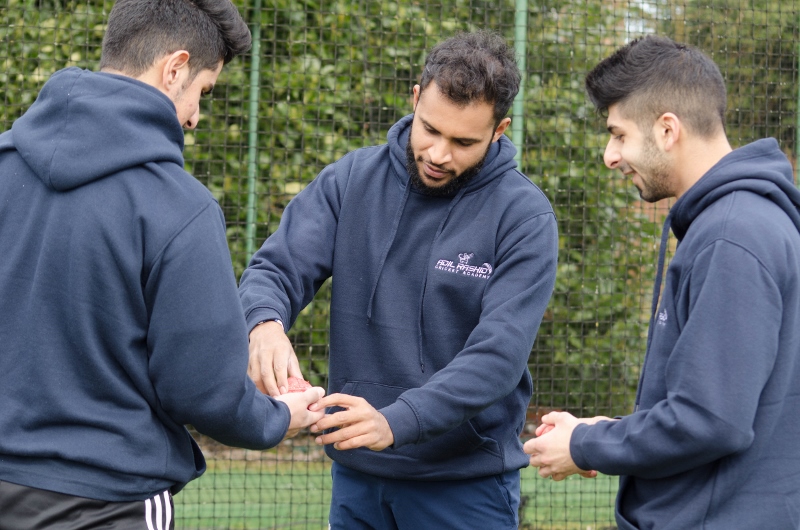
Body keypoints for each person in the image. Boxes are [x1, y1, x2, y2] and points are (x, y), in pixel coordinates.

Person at [0, 1, 325, 528]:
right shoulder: (180, 206)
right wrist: (276, 418)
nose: (197, 116)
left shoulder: (4, 164)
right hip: (107, 503)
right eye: (203, 91)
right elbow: (202, 388)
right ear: (174, 68)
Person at [239, 31, 558, 529]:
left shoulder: (524, 216)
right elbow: (274, 270)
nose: (438, 154)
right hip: (358, 476)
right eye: (430, 129)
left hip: (464, 486)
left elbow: (498, 356)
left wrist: (397, 420)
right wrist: (263, 323)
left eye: (463, 142)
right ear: (415, 97)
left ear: (500, 130)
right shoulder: (350, 181)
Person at [524, 35, 800, 529]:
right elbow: (727, 402)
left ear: (667, 129)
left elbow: (711, 421)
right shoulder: (740, 223)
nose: (611, 155)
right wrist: (608, 431)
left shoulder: (732, 236)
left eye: (619, 134)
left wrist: (586, 445)